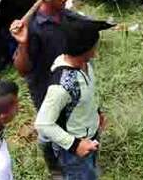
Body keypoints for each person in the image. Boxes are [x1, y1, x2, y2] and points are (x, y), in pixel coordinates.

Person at [11, 0, 72, 174]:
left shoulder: (61, 14)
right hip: (45, 89)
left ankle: (68, 153)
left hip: (64, 82)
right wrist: (23, 43)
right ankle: (54, 166)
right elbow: (22, 69)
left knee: (67, 123)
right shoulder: (34, 29)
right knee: (49, 129)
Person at [35, 22, 105, 180]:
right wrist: (75, 145)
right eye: (94, 48)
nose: (95, 53)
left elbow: (86, 95)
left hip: (90, 135)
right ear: (84, 50)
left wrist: (97, 113)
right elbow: (43, 123)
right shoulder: (62, 86)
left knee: (90, 171)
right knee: (81, 174)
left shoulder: (85, 64)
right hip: (74, 149)